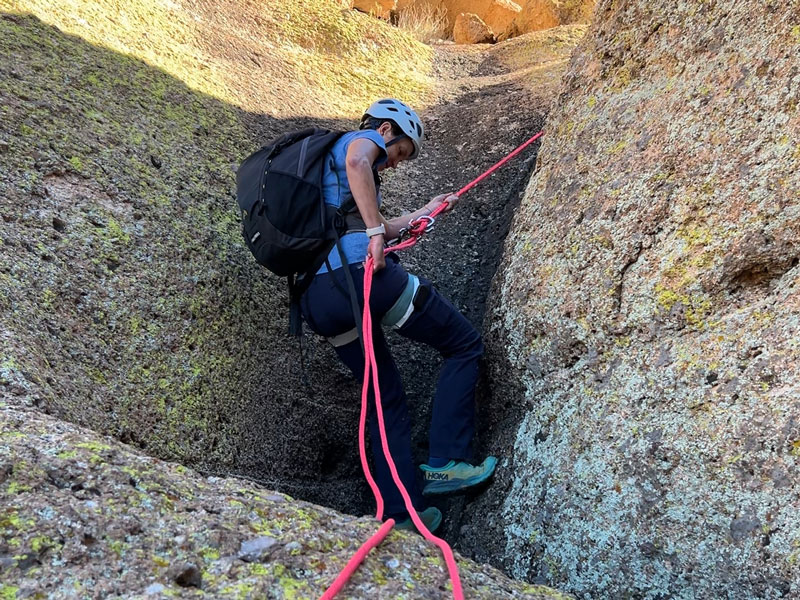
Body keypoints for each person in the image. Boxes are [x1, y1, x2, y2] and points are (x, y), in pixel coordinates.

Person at [301, 98, 496, 533]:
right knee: (463, 344)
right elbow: (359, 161)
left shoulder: (321, 179)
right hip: (360, 276)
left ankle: (400, 514)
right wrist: (373, 234)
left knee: (383, 398)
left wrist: (425, 210)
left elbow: (383, 225)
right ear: (388, 130)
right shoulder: (360, 142)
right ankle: (447, 462)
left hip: (319, 300)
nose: (392, 164)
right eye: (401, 152)